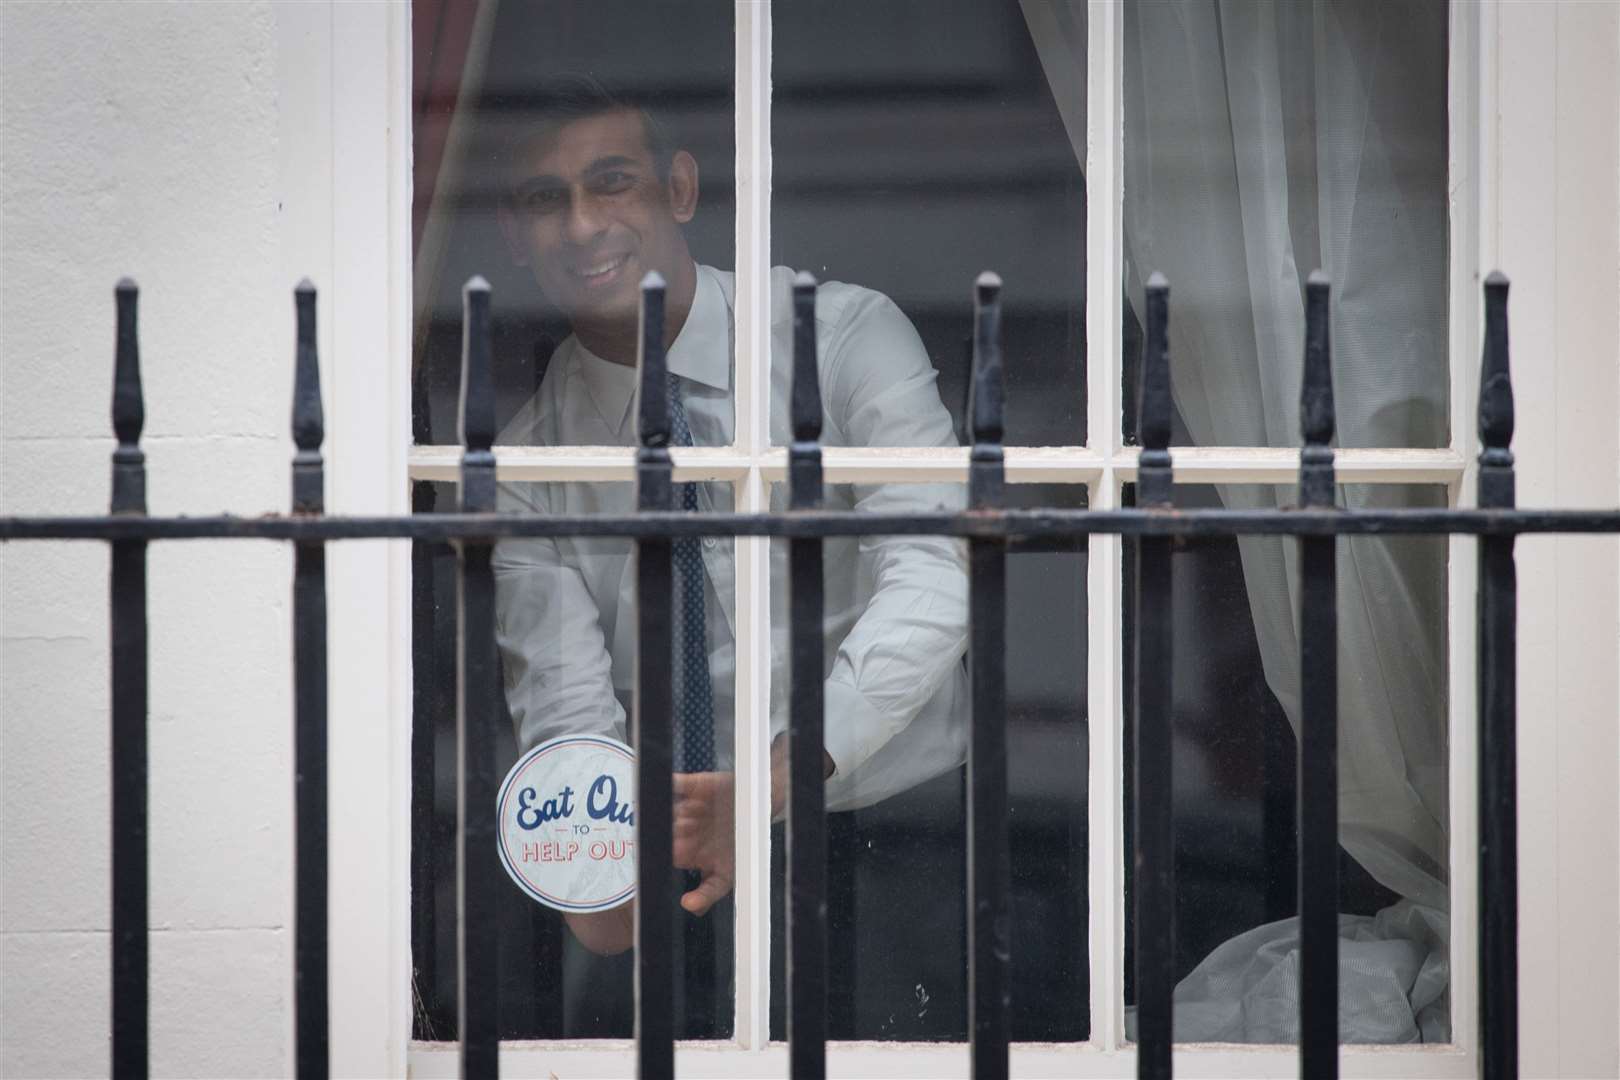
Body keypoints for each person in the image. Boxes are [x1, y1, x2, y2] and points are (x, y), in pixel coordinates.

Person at [491, 76, 969, 975]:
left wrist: (777, 780)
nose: (585, 224)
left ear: (678, 188)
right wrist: (602, 860)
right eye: (546, 201)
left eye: (612, 182)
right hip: (673, 852)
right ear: (516, 237)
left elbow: (936, 565)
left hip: (900, 824)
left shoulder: (841, 339)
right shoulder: (524, 467)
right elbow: (565, 705)